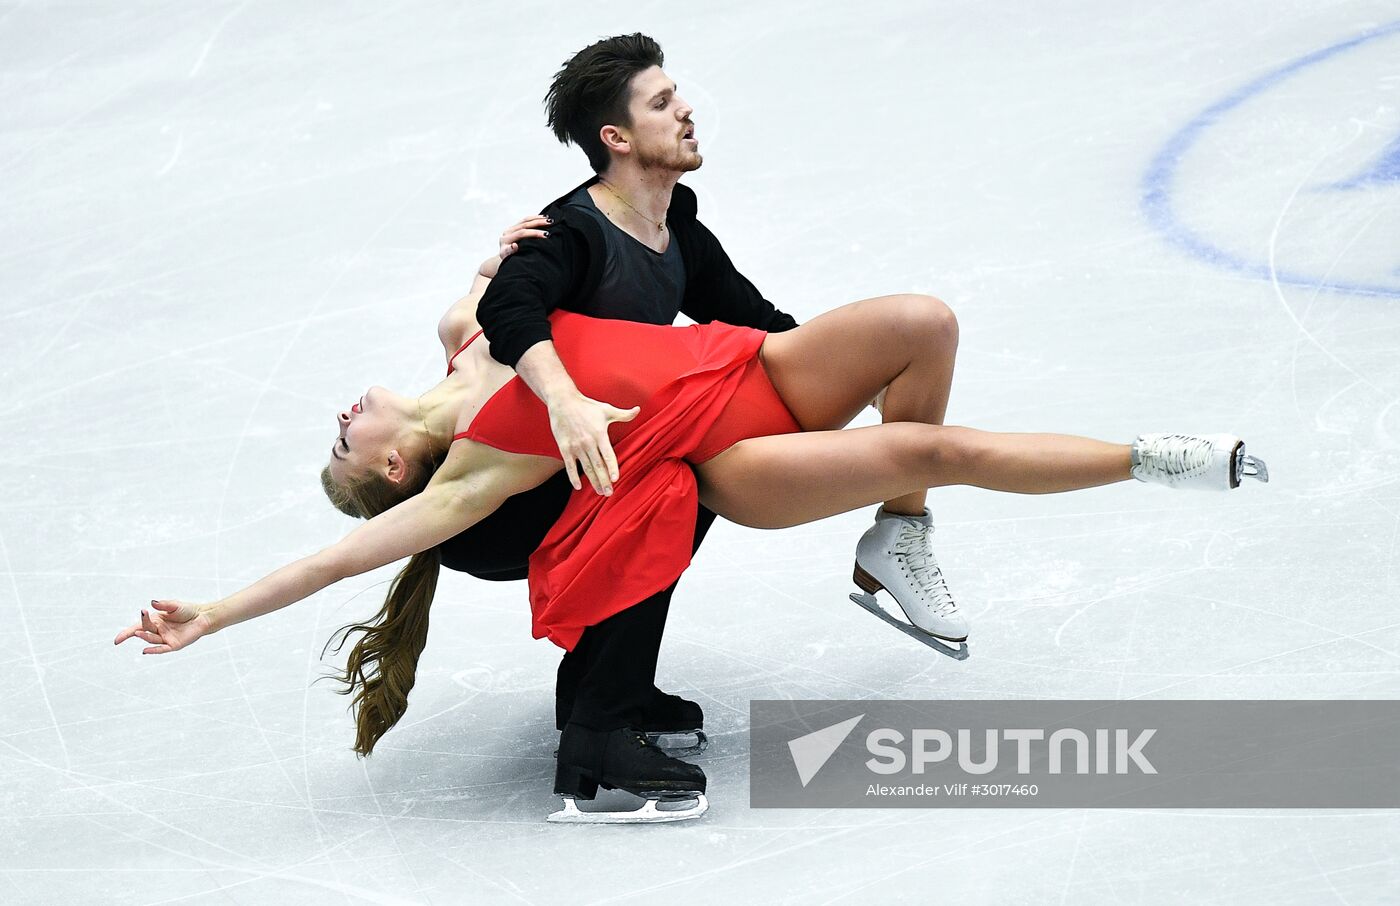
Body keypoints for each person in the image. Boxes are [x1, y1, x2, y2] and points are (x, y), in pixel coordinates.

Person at [113, 291, 1268, 820]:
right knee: (934, 442)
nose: (337, 418)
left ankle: (895, 543)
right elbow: (336, 564)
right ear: (393, 472)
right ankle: (1150, 457)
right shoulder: (466, 471)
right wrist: (212, 610)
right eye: (342, 450)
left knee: (922, 323)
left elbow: (506, 277)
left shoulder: (465, 336)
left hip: (740, 369)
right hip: (724, 457)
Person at [438, 32, 965, 804]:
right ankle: (597, 739)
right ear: (615, 139)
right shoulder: (570, 231)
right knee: (674, 480)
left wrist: (868, 374)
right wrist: (567, 402)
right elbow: (506, 308)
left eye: (675, 93)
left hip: (588, 468)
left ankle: (600, 691)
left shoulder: (670, 221)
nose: (685, 108)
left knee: (690, 456)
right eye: (661, 102)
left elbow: (757, 325)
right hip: (499, 502)